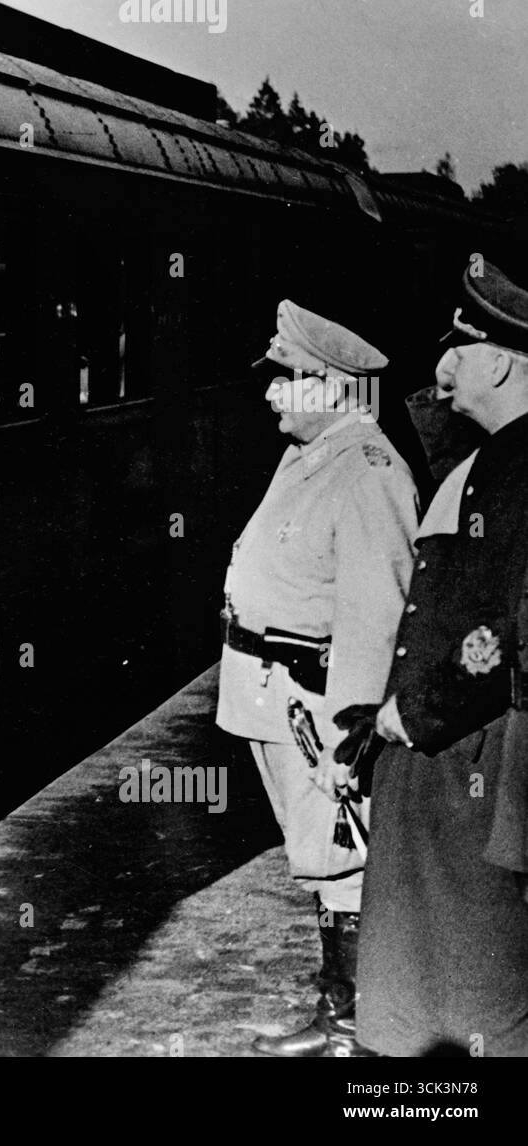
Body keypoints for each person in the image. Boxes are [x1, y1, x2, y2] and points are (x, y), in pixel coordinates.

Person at [217, 300, 419, 1057]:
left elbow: (375, 618)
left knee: (344, 861)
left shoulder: (368, 472)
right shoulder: (312, 453)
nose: (270, 394)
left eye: (286, 379)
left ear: (335, 388)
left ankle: (352, 1025)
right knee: (319, 862)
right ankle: (340, 1013)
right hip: (275, 699)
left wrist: (349, 738)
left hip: (316, 708)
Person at [348, 260, 528, 1057]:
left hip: (468, 759)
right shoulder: (496, 458)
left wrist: (410, 714)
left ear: (496, 360)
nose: (441, 367)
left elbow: (501, 632)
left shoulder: (519, 472)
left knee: (468, 983)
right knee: (434, 978)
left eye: (458, 346)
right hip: (451, 757)